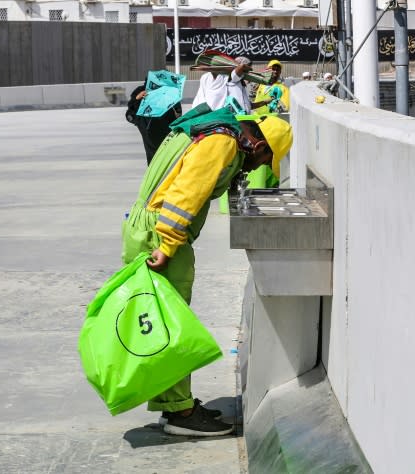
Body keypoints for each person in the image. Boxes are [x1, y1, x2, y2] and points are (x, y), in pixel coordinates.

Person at [122, 104, 293, 436]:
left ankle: (176, 403)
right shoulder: (223, 143)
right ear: (258, 147)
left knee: (161, 321)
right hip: (161, 234)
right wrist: (169, 244)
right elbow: (186, 194)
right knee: (172, 325)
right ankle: (179, 414)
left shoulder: (208, 128)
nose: (257, 166)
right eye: (262, 161)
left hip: (142, 227)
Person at [126, 81, 183, 165]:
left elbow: (178, 113)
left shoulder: (168, 91)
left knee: (167, 156)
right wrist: (137, 99)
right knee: (153, 156)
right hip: (147, 125)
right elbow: (130, 112)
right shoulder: (141, 90)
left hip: (166, 126)